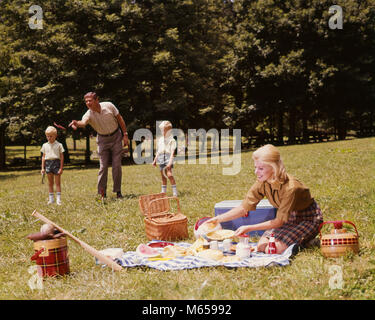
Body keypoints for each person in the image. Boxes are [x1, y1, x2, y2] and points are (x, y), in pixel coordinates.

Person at [204, 144, 323, 254]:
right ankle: (302, 242)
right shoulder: (262, 182)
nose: (256, 172)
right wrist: (217, 219)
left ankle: (308, 242)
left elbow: (278, 222)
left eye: (261, 168)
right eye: (256, 167)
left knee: (272, 250)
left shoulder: (291, 188)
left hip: (307, 218)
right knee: (262, 247)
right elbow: (243, 208)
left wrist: (249, 227)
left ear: (274, 168)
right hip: (287, 218)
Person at [69, 92, 129, 199]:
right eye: (86, 101)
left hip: (116, 137)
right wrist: (76, 123)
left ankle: (118, 192)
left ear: (97, 100)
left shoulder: (109, 106)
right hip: (102, 140)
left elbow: (120, 119)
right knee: (103, 167)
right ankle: (102, 193)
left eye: (90, 100)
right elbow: (83, 122)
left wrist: (125, 134)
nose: (88, 103)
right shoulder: (89, 114)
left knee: (116, 166)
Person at [152, 121, 178, 197]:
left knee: (169, 174)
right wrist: (155, 160)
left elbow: (172, 152)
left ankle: (175, 192)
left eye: (164, 130)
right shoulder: (160, 139)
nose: (162, 132)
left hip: (168, 157)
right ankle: (163, 192)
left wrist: (170, 162)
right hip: (161, 157)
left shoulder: (172, 140)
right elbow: (158, 151)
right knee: (163, 176)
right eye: (161, 130)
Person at [41, 126, 65, 205]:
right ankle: (51, 199)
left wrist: (61, 168)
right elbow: (43, 157)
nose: (49, 138)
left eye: (51, 136)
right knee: (50, 183)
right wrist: (42, 168)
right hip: (48, 164)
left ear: (55, 136)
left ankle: (58, 199)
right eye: (47, 136)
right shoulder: (44, 145)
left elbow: (61, 157)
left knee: (57, 183)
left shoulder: (59, 145)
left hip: (56, 163)